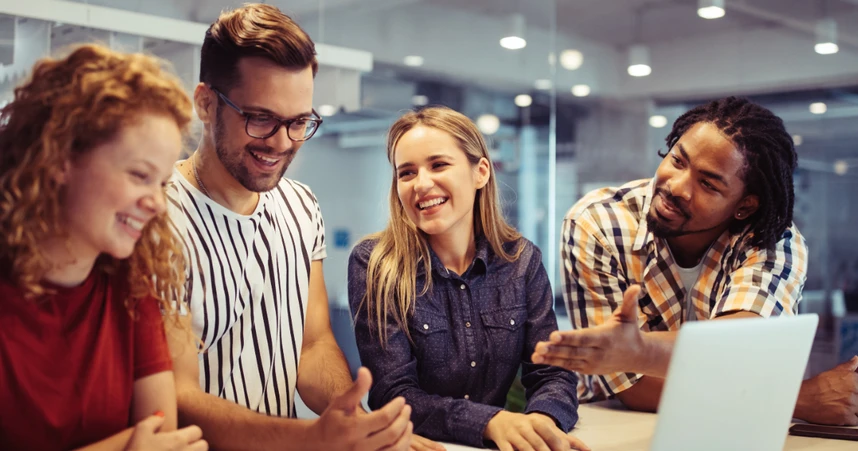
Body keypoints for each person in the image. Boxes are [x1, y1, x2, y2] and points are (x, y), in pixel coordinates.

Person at [164, 4, 412, 450]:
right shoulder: (155, 215)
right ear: (206, 103)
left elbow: (312, 347)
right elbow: (176, 397)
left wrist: (357, 424)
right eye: (260, 118)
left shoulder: (300, 205)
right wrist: (309, 437)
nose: (281, 143)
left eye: (299, 122)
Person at [533, 96, 858, 426]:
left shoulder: (771, 239)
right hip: (616, 424)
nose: (677, 187)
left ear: (744, 205)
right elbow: (632, 387)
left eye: (707, 183)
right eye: (677, 160)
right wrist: (795, 400)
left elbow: (743, 347)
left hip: (736, 428)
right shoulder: (597, 224)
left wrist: (638, 351)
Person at [0, 44, 207, 450]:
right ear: (61, 158)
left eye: (161, 183)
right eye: (139, 175)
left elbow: (162, 438)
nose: (157, 203)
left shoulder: (130, 287)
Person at [349, 106, 590, 451]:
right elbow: (392, 393)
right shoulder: (375, 263)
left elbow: (552, 372)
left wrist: (542, 422)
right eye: (407, 172)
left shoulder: (521, 261)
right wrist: (489, 422)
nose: (421, 184)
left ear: (481, 172)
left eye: (438, 165)